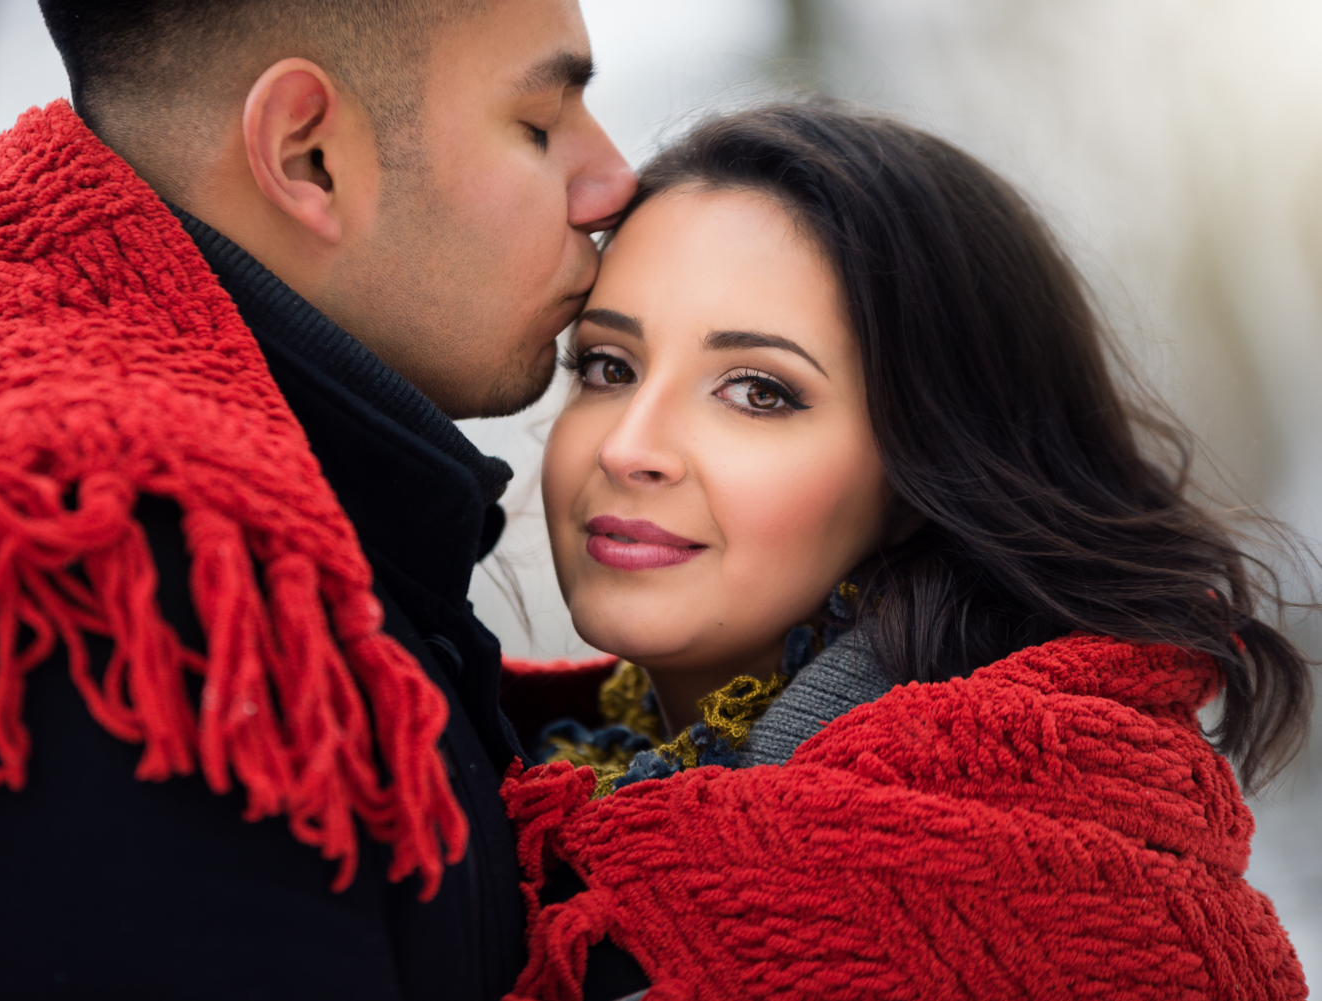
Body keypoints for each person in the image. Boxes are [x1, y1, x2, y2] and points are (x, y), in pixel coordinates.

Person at [0, 1, 634, 998]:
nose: (612, 183)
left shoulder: (251, 538)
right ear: (308, 157)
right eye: (540, 124)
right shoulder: (93, 571)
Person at [504, 100, 1314, 999]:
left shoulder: (1053, 900)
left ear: (924, 469)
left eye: (759, 391)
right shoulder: (503, 777)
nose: (627, 447)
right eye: (608, 366)